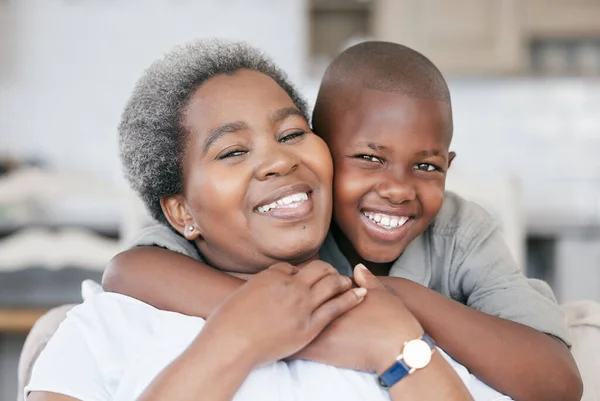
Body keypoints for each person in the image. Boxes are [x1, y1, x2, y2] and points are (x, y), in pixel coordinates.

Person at [103, 41, 582, 401]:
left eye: (427, 166)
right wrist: (286, 320)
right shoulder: (288, 224)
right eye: (369, 159)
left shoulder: (459, 231)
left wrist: (402, 299)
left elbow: (558, 381)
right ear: (324, 151)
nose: (397, 189)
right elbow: (130, 270)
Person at [26, 39, 480, 401]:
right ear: (182, 212)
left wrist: (398, 350)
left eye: (292, 134)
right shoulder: (107, 329)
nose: (279, 161)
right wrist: (236, 339)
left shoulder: (401, 323)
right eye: (233, 151)